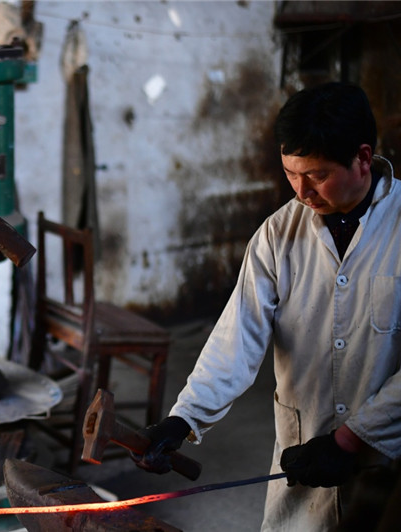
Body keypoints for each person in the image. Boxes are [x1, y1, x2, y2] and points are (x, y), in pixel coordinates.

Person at [131, 82, 401, 530]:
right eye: (290, 173)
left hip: (386, 469)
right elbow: (237, 337)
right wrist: (184, 419)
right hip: (304, 456)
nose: (300, 192)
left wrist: (353, 439)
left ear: (363, 158)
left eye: (315, 175)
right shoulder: (279, 234)